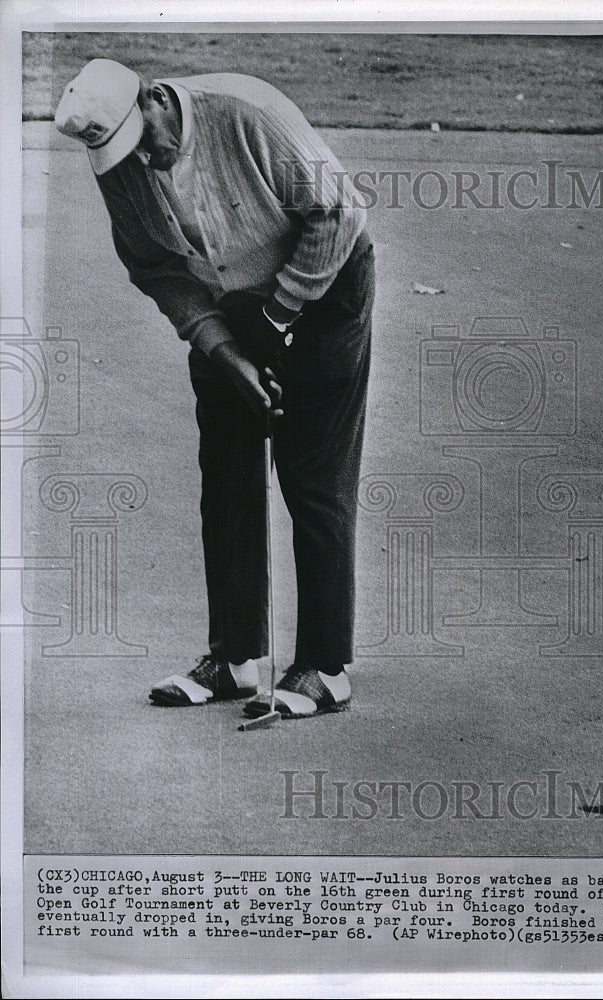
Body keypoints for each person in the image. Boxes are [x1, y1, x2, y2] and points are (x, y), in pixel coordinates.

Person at [54, 58, 374, 719]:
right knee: (226, 473)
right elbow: (156, 267)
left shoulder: (248, 112)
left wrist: (280, 316)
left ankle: (325, 667)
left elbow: (336, 212)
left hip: (325, 284)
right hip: (231, 308)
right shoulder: (120, 164)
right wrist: (225, 352)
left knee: (310, 473)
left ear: (155, 102)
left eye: (142, 142)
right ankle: (236, 660)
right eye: (119, 156)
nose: (139, 161)